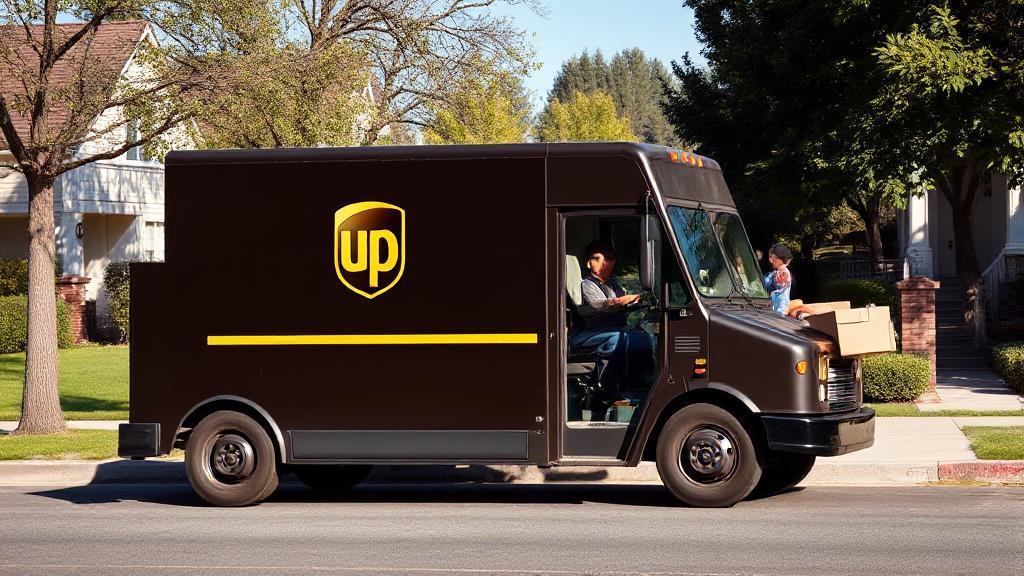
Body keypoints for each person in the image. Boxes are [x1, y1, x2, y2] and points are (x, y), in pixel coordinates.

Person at [571, 241, 653, 395]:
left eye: (611, 259)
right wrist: (627, 299)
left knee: (642, 337)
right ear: (589, 263)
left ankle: (641, 383)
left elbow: (624, 305)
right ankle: (606, 389)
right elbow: (601, 305)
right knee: (618, 339)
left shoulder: (613, 283)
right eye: (602, 258)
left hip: (612, 330)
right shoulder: (586, 285)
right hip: (590, 333)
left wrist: (641, 302)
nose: (607, 263)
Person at [763, 243, 793, 315]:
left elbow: (776, 286)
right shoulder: (775, 272)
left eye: (772, 257)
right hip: (774, 305)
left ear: (780, 259)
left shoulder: (785, 273)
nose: (770, 260)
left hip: (782, 307)